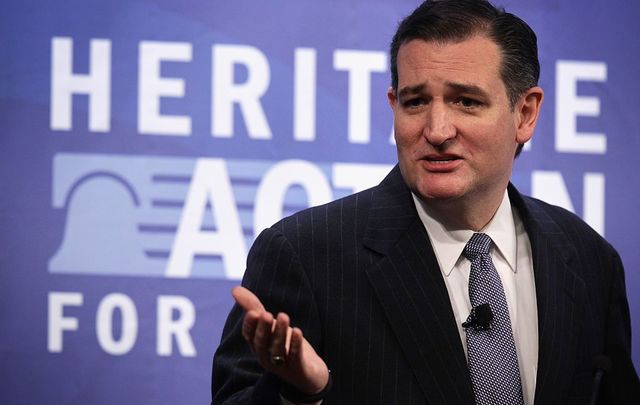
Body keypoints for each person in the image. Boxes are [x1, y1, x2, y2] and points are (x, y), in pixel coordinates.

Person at [211, 1, 640, 404]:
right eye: (416, 102)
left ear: (525, 113)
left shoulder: (588, 260)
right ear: (394, 106)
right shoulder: (305, 255)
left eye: (466, 101)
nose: (436, 130)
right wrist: (300, 396)